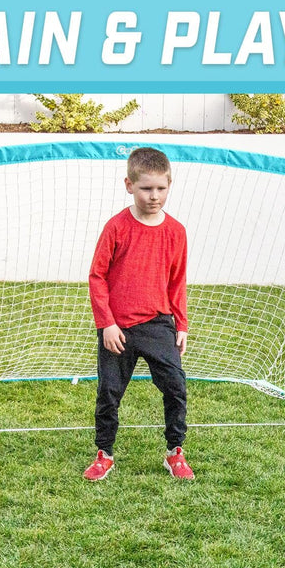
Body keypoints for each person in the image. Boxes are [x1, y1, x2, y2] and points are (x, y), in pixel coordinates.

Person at [84, 147, 193, 481]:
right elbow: (97, 277)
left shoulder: (176, 231)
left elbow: (177, 281)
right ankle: (105, 453)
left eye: (161, 188)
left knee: (176, 386)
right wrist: (107, 324)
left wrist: (182, 323)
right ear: (129, 185)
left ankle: (175, 452)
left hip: (159, 324)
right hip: (118, 329)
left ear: (169, 185)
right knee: (109, 393)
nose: (154, 195)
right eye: (146, 188)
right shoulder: (117, 227)